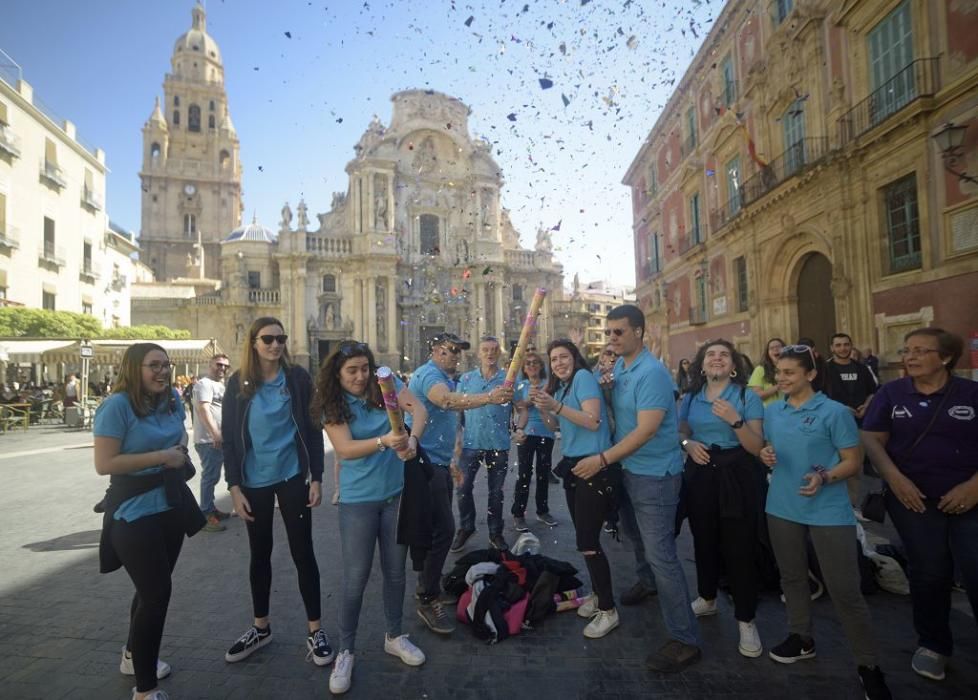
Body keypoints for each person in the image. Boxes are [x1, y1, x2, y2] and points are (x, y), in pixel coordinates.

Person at [759, 344, 891, 699]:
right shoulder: (774, 412)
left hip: (827, 509)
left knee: (844, 589)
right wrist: (764, 452)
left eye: (789, 373)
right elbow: (770, 449)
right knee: (792, 577)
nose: (781, 379)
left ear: (811, 374)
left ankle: (868, 665)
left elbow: (852, 461)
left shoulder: (835, 412)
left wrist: (825, 477)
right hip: (782, 506)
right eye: (778, 373)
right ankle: (801, 638)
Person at [576, 305, 701, 672]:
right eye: (610, 332)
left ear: (639, 333)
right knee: (633, 536)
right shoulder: (623, 369)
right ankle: (646, 583)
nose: (612, 338)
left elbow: (646, 430)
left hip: (655, 476)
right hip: (629, 470)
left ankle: (685, 638)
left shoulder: (652, 373)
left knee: (662, 554)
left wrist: (602, 460)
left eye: (619, 332)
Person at [861, 328, 978, 682]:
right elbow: (872, 438)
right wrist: (895, 479)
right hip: (912, 499)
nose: (909, 357)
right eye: (906, 350)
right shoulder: (892, 393)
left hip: (970, 498)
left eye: (919, 351)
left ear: (944, 358)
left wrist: (974, 486)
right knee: (929, 571)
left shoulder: (971, 394)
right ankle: (933, 644)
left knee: (975, 566)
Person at [315, 341, 428, 694]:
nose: (361, 376)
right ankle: (346, 650)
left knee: (395, 572)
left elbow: (419, 411)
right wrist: (385, 440)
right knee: (356, 577)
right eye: (352, 370)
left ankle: (395, 635)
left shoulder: (386, 385)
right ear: (338, 373)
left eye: (365, 368)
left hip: (394, 497)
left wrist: (412, 441)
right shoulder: (332, 403)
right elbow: (345, 449)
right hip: (358, 501)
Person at [93, 343, 205, 700]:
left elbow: (181, 435)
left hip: (170, 507)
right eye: (153, 365)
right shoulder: (117, 406)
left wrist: (180, 449)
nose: (162, 371)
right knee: (158, 594)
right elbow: (104, 463)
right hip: (133, 510)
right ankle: (145, 690)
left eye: (166, 365)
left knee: (150, 590)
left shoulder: (171, 399)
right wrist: (161, 456)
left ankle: (133, 655)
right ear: (134, 369)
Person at [221, 318, 333, 667]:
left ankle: (315, 630)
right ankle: (261, 626)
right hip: (253, 481)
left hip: (291, 476)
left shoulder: (298, 379)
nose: (275, 345)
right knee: (260, 553)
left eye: (280, 338)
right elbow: (229, 439)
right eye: (267, 339)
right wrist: (233, 486)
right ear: (253, 342)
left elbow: (313, 428)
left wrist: (317, 476)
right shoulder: (237, 383)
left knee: (303, 551)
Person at [678, 340, 765, 658]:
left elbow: (757, 446)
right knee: (704, 538)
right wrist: (688, 443)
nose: (717, 359)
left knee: (739, 546)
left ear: (733, 365)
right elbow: (680, 429)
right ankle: (707, 597)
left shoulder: (746, 396)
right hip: (701, 473)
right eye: (711, 355)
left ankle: (746, 619)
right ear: (701, 364)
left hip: (737, 474)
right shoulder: (690, 397)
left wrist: (735, 420)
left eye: (723, 355)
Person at [409, 331, 497, 635]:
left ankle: (430, 583)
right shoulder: (428, 375)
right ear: (434, 350)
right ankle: (426, 595)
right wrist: (489, 397)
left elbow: (450, 421)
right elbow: (445, 403)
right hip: (423, 464)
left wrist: (453, 461)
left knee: (438, 530)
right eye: (449, 350)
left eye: (458, 351)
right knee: (444, 530)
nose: (455, 355)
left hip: (438, 463)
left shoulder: (447, 376)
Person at [532, 339, 619, 638]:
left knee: (589, 541)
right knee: (586, 539)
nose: (558, 363)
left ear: (575, 358)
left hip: (593, 466)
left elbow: (593, 421)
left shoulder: (583, 378)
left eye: (563, 357)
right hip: (574, 465)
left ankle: (608, 609)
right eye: (553, 359)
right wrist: (543, 407)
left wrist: (555, 405)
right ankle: (597, 595)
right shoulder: (563, 388)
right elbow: (554, 425)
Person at [452, 335, 516, 552]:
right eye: (485, 349)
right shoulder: (467, 379)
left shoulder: (509, 379)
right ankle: (466, 527)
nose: (490, 353)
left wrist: (522, 426)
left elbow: (522, 407)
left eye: (494, 349)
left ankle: (495, 532)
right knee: (462, 488)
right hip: (470, 443)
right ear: (478, 353)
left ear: (499, 353)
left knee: (496, 493)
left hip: (499, 444)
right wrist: (457, 438)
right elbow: (458, 409)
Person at [824, 333, 878, 513]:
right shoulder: (824, 370)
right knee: (831, 464)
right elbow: (818, 396)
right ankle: (830, 505)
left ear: (851, 346)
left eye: (846, 344)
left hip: (857, 424)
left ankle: (852, 506)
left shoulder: (862, 369)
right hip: (832, 424)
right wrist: (841, 408)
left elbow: (873, 391)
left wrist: (867, 405)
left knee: (855, 466)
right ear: (832, 348)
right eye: (838, 345)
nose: (842, 348)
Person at [511, 350, 558, 531]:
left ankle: (542, 510)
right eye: (528, 363)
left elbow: (553, 406)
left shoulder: (549, 384)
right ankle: (518, 513)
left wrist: (540, 397)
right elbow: (519, 407)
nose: (531, 365)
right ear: (524, 367)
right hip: (526, 432)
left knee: (543, 473)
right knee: (524, 473)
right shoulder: (520, 385)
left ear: (541, 366)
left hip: (546, 432)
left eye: (535, 362)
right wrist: (531, 400)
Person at [193, 354, 231, 532]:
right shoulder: (204, 384)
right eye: (219, 364)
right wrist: (215, 433)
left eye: (225, 366)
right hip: (209, 440)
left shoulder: (219, 385)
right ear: (210, 364)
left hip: (217, 439)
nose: (222, 368)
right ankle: (205, 514)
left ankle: (211, 508)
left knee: (213, 476)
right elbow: (203, 408)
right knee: (210, 477)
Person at [748, 338, 784, 406]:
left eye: (778, 347)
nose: (775, 349)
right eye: (771, 348)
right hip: (768, 413)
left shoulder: (792, 368)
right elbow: (756, 396)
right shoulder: (760, 369)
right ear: (768, 353)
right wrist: (778, 386)